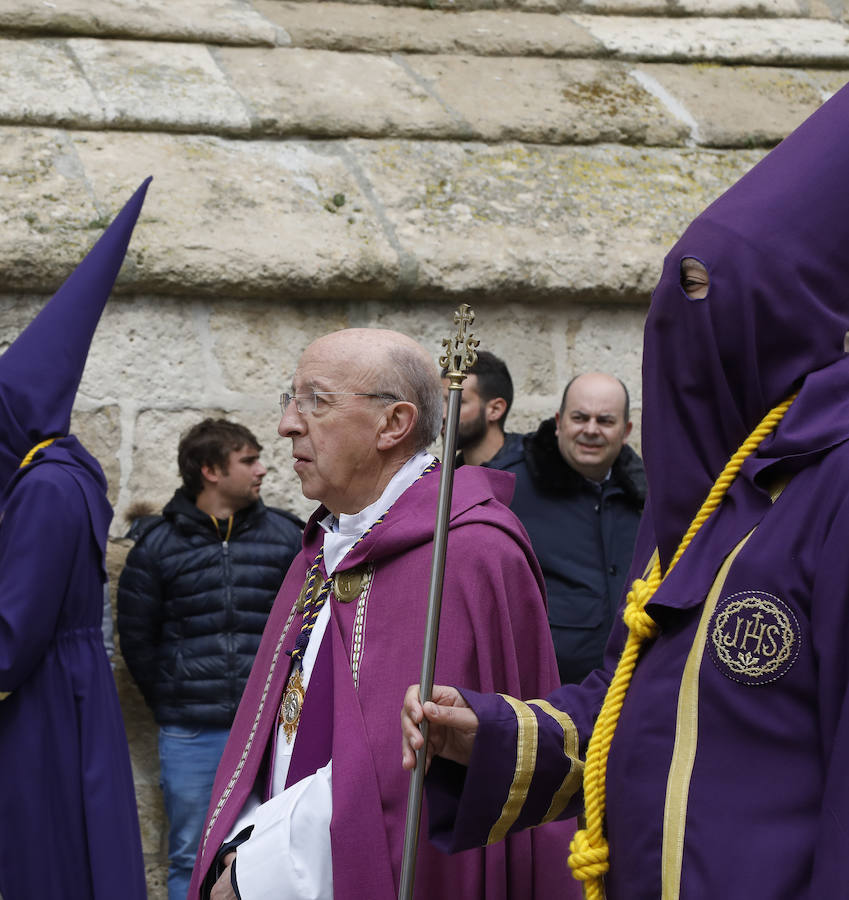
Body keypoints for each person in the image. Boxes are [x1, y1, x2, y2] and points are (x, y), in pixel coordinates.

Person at [402, 81, 849, 898]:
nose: (683, 326)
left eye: (711, 292)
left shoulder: (834, 489)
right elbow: (630, 711)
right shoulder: (722, 499)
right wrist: (496, 735)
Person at [189, 328, 577, 900]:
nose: (287, 424)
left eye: (314, 402)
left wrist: (258, 873)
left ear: (392, 424)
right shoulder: (329, 540)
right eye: (289, 399)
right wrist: (243, 844)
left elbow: (401, 775)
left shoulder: (465, 552)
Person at [0, 179, 150, 899]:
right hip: (69, 683)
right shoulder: (68, 473)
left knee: (46, 852)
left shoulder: (42, 489)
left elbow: (11, 634)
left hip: (41, 699)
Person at [118, 417, 303, 900]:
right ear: (210, 470)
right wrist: (174, 701)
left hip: (272, 732)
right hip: (192, 734)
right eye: (249, 460)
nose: (263, 469)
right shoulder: (156, 547)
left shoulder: (288, 538)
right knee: (191, 853)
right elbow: (137, 640)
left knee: (277, 852)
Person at [456, 360, 646, 684]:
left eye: (605, 421)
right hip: (543, 703)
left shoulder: (646, 496)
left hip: (631, 694)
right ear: (559, 422)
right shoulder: (506, 485)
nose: (591, 430)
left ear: (626, 431)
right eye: (579, 417)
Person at [442, 349, 519, 467]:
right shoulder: (447, 480)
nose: (443, 415)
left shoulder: (532, 473)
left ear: (495, 410)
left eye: (457, 402)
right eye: (440, 403)